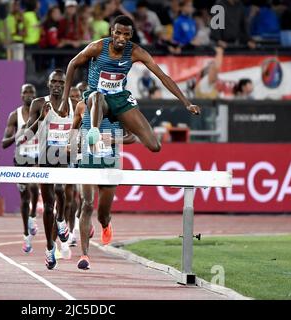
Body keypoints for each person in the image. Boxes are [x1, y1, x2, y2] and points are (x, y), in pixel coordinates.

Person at [60, 15, 200, 159]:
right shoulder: (98, 47)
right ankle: (93, 138)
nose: (121, 38)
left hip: (119, 98)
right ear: (111, 32)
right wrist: (64, 100)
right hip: (97, 98)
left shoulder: (136, 51)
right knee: (97, 95)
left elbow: (163, 77)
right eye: (118, 33)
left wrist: (187, 103)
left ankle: (101, 140)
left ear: (131, 35)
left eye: (126, 34)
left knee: (154, 146)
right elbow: (73, 64)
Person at [69, 88, 135, 270]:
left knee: (102, 214)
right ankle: (84, 255)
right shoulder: (81, 106)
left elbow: (132, 137)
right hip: (87, 163)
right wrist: (72, 146)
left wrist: (109, 140)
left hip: (109, 165)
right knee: (87, 204)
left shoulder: (118, 109)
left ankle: (106, 224)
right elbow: (73, 132)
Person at [20, 69, 79, 269]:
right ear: (48, 83)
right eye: (53, 81)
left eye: (61, 82)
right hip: (45, 159)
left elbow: (79, 130)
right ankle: (49, 248)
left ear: (66, 85)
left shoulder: (74, 105)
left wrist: (75, 145)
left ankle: (61, 220)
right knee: (47, 206)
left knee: (61, 191)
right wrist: (42, 118)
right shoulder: (39, 104)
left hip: (64, 158)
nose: (57, 85)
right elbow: (28, 133)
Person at [2, 84, 39, 253]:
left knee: (34, 186)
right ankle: (26, 235)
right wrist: (17, 136)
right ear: (21, 95)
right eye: (25, 92)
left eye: (31, 92)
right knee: (24, 198)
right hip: (20, 158)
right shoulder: (14, 116)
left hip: (39, 157)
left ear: (35, 95)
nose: (29, 95)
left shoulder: (40, 113)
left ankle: (33, 216)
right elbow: (4, 143)